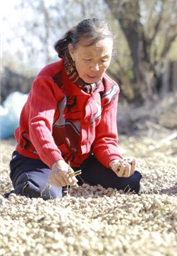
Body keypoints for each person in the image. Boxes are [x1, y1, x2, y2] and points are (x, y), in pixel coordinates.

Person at [9, 18, 142, 200]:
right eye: (87, 59)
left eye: (104, 60)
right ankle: (32, 182)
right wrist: (56, 162)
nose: (95, 68)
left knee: (130, 182)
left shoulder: (109, 90)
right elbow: (39, 125)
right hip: (38, 159)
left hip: (81, 163)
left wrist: (115, 161)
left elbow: (105, 138)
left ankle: (73, 181)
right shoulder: (49, 79)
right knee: (41, 193)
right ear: (72, 52)